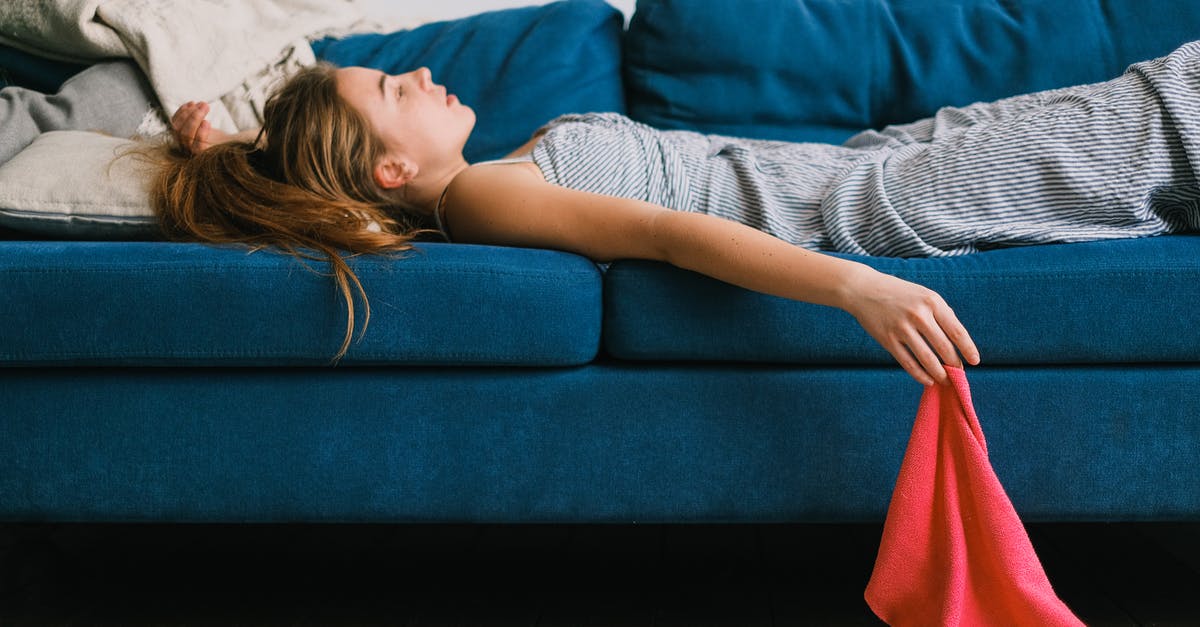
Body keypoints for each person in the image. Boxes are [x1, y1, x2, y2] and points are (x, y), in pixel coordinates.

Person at [157, 41, 1200, 387]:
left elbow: (294, 173)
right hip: (866, 207)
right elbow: (661, 234)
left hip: (860, 163)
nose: (423, 71)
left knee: (1132, 109)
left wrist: (219, 147)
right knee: (1153, 122)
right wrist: (855, 285)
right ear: (387, 171)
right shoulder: (481, 195)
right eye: (392, 88)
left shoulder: (495, 178)